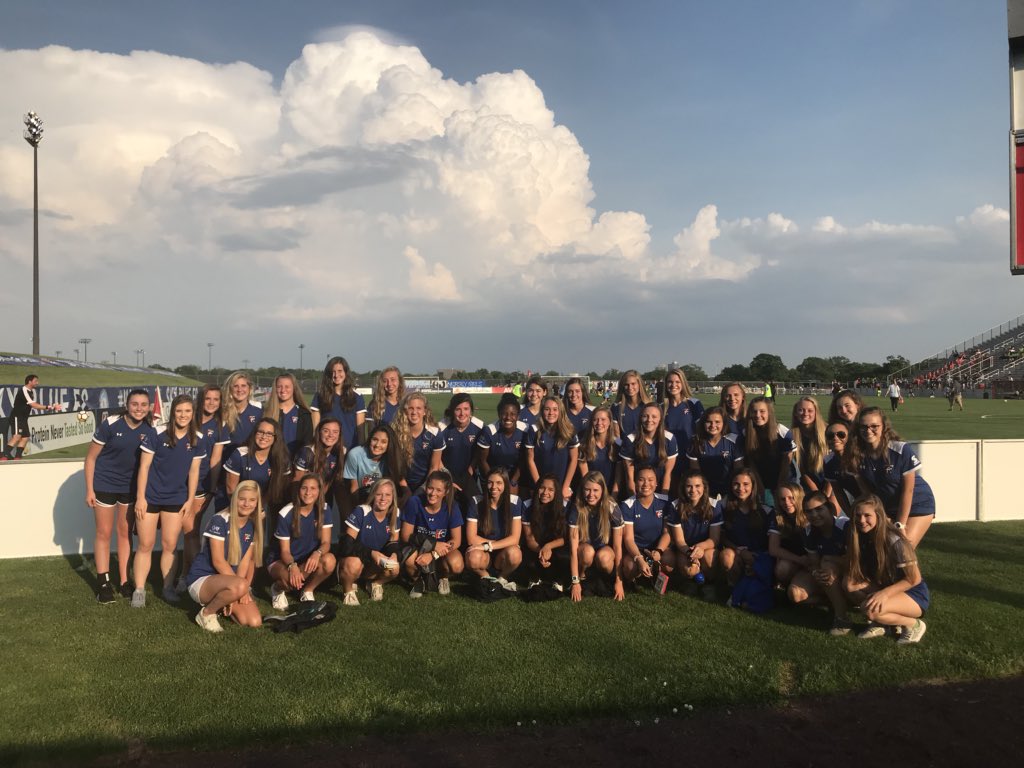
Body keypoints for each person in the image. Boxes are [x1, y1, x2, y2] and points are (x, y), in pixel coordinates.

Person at [133, 394, 205, 607]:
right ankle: (139, 590)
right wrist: (140, 498)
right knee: (145, 544)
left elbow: (194, 473)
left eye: (187, 411)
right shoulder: (157, 433)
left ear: (193, 414)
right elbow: (143, 467)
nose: (183, 415)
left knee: (170, 545)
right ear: (172, 412)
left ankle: (167, 587)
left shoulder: (197, 440)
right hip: (150, 498)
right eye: (179, 411)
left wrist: (190, 500)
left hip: (176, 499)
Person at [85, 389, 157, 602]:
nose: (139, 408)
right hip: (104, 485)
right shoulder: (111, 424)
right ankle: (103, 583)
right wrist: (89, 489)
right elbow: (90, 459)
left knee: (125, 534)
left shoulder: (150, 428)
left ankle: (125, 581)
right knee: (104, 533)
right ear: (127, 404)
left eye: (144, 405)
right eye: (135, 404)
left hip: (130, 489)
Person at [843, 494, 929, 644]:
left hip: (912, 593)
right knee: (849, 585)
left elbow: (914, 578)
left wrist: (884, 594)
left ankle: (913, 625)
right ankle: (883, 624)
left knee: (870, 610)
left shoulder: (894, 540)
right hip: (887, 586)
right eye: (858, 515)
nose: (861, 520)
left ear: (878, 515)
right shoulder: (860, 537)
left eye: (867, 515)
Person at [186, 480, 264, 632]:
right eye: (242, 499)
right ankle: (206, 613)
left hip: (230, 582)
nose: (246, 504)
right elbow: (218, 561)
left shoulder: (251, 525)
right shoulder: (219, 520)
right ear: (235, 499)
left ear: (257, 503)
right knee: (241, 586)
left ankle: (224, 601)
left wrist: (240, 590)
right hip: (202, 579)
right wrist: (242, 589)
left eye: (252, 500)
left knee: (253, 621)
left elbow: (244, 563)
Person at [851, 407, 934, 548]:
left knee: (903, 549)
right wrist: (881, 514)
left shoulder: (900, 449)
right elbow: (867, 493)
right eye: (863, 426)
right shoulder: (857, 453)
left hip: (917, 502)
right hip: (888, 506)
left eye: (874, 426)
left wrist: (900, 524)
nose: (868, 430)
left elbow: (908, 490)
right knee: (883, 549)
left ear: (884, 427)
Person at [179, 384, 230, 596]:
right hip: (178, 482)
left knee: (191, 530)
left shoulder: (220, 425)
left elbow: (216, 459)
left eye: (216, 399)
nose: (211, 403)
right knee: (185, 531)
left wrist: (210, 488)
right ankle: (185, 573)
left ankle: (188, 576)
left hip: (201, 485)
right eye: (208, 398)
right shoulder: (188, 416)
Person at [787, 490, 853, 635]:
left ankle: (842, 619)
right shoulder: (808, 532)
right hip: (827, 572)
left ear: (829, 508)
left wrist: (830, 561)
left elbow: (856, 560)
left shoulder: (846, 526)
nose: (814, 515)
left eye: (819, 509)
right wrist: (816, 572)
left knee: (827, 566)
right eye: (809, 512)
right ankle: (835, 601)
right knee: (795, 594)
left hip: (851, 571)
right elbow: (814, 562)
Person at [266, 474, 336, 609]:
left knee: (330, 560)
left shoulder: (325, 509)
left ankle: (307, 590)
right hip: (281, 560)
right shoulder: (286, 513)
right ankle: (278, 588)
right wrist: (293, 567)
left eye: (313, 488)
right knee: (290, 582)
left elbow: (326, 543)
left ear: (319, 491)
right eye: (304, 488)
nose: (308, 492)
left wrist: (317, 553)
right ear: (299, 490)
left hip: (306, 558)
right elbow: (284, 552)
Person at [400, 470, 465, 597]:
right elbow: (406, 536)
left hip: (441, 551)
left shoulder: (452, 506)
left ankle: (443, 577)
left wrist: (433, 554)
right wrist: (433, 544)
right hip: (419, 547)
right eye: (430, 488)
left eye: (438, 490)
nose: (433, 493)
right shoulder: (414, 502)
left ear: (446, 492)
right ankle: (418, 581)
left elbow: (456, 540)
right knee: (409, 560)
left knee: (456, 564)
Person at [338, 478, 402, 604]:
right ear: (373, 495)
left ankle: (375, 584)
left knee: (395, 568)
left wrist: (394, 555)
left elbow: (393, 543)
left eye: (387, 495)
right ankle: (348, 590)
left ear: (393, 496)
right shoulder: (361, 511)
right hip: (356, 559)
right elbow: (346, 545)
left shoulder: (395, 513)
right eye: (379, 494)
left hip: (373, 562)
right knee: (353, 564)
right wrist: (371, 553)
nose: (383, 498)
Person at [567, 471, 624, 602]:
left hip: (604, 549)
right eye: (587, 489)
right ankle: (582, 577)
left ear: (603, 490)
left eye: (595, 490)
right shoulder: (577, 507)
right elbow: (573, 548)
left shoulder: (612, 507)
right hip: (585, 549)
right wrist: (575, 582)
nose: (591, 494)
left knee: (604, 558)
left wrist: (619, 581)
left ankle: (604, 579)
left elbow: (617, 547)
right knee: (587, 553)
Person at [218, 417, 291, 515]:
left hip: (259, 505)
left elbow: (277, 488)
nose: (264, 437)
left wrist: (259, 507)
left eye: (269, 433)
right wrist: (245, 510)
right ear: (254, 433)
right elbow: (231, 489)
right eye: (260, 432)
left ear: (276, 437)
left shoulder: (280, 459)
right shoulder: (240, 454)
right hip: (233, 504)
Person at [714, 468, 773, 588]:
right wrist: (740, 551)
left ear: (753, 486)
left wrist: (756, 557)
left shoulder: (766, 510)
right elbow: (721, 537)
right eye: (736, 484)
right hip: (736, 552)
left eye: (746, 484)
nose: (741, 488)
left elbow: (771, 543)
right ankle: (734, 589)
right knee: (727, 557)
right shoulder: (722, 506)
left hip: (760, 555)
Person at [465, 468, 523, 590]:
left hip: (501, 551)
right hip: (484, 552)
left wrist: (488, 546)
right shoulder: (476, 501)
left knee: (515, 554)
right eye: (490, 482)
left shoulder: (515, 502)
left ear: (505, 484)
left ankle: (502, 577)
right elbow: (471, 538)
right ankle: (487, 578)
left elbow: (515, 538)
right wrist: (487, 547)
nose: (493, 487)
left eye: (499, 483)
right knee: (473, 558)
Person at [619, 466, 674, 586]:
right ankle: (634, 579)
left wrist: (659, 550)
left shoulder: (665, 502)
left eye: (650, 480)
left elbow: (667, 533)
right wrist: (638, 558)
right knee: (630, 567)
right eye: (641, 479)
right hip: (637, 549)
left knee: (669, 560)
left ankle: (656, 574)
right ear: (635, 482)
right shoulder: (627, 505)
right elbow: (628, 538)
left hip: (657, 547)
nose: (646, 484)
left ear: (656, 483)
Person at [430, 393, 484, 508]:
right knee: (449, 506)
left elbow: (479, 453)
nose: (462, 413)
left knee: (476, 505)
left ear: (471, 410)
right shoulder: (441, 427)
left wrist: (470, 470)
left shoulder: (480, 427)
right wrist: (447, 478)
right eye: (458, 409)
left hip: (469, 475)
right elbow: (437, 456)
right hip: (446, 475)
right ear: (452, 411)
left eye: (466, 409)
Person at [667, 472, 720, 587]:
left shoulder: (714, 505)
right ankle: (690, 582)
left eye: (697, 486)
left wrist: (700, 548)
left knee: (710, 558)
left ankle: (709, 584)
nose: (693, 490)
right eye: (689, 486)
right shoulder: (675, 506)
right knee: (689, 570)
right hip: (685, 548)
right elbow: (679, 541)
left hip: (705, 547)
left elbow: (714, 539)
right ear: (683, 488)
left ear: (704, 487)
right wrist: (691, 553)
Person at [524, 396, 579, 500]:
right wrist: (539, 486)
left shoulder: (569, 430)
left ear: (561, 411)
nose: (551, 413)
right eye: (547, 409)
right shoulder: (534, 429)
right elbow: (530, 459)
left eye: (555, 409)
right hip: (539, 485)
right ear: (542, 410)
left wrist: (566, 486)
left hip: (561, 485)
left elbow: (574, 459)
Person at [742, 396, 796, 503]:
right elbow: (750, 462)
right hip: (759, 480)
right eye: (754, 411)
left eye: (762, 411)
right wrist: (759, 487)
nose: (758, 415)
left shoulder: (782, 432)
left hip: (783, 479)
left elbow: (786, 463)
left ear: (769, 413)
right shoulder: (746, 433)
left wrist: (780, 487)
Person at [620, 402, 677, 496]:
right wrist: (634, 497)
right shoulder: (630, 439)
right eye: (645, 416)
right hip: (639, 490)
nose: (649, 420)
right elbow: (629, 475)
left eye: (654, 417)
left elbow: (668, 473)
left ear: (660, 420)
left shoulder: (670, 438)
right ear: (640, 418)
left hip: (660, 489)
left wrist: (663, 497)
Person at [310, 356, 366, 451]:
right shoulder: (319, 396)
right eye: (333, 372)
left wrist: (361, 451)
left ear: (346, 372)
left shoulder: (357, 396)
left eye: (340, 371)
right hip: (327, 450)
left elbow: (360, 430)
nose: (336, 375)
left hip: (350, 449)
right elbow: (316, 428)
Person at [662, 368, 704, 491]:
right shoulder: (661, 406)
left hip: (690, 455)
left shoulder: (694, 404)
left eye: (677, 382)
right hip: (669, 457)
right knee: (672, 491)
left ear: (683, 383)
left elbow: (701, 430)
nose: (673, 385)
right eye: (670, 382)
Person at [686, 406, 743, 499]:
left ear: (723, 423)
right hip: (704, 490)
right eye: (709, 422)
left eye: (717, 422)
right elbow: (696, 473)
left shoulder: (733, 441)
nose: (713, 425)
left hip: (729, 489)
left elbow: (738, 471)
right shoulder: (695, 441)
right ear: (703, 423)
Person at [391, 392, 440, 495]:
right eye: (410, 408)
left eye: (418, 408)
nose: (414, 412)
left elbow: (434, 467)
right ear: (405, 411)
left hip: (426, 485)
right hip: (400, 484)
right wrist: (405, 489)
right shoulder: (395, 433)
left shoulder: (435, 433)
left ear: (425, 411)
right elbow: (395, 466)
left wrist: (423, 489)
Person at [2, 374, 60, 460]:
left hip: (23, 418)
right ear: (30, 381)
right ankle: (4, 456)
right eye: (36, 381)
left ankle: (17, 457)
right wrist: (49, 407)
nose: (37, 383)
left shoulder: (30, 391)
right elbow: (33, 405)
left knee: (25, 437)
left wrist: (50, 407)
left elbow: (32, 405)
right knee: (17, 436)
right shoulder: (24, 390)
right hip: (17, 417)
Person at [477, 393, 527, 490]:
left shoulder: (525, 430)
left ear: (518, 416)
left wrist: (513, 482)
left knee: (512, 501)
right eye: (504, 414)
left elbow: (524, 461)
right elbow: (482, 460)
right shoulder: (489, 431)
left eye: (513, 414)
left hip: (514, 477)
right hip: (492, 476)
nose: (508, 417)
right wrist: (494, 481)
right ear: (499, 414)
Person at [521, 474, 569, 574]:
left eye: (550, 490)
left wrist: (549, 546)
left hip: (556, 547)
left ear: (556, 492)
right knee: (529, 562)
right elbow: (530, 539)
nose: (545, 492)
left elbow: (567, 538)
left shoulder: (566, 506)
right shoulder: (527, 505)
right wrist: (542, 551)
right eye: (542, 488)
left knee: (564, 559)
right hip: (536, 547)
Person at [767, 482, 810, 591]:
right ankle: (785, 588)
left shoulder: (810, 515)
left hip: (811, 560)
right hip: (794, 560)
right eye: (782, 499)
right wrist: (799, 560)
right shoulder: (777, 517)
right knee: (782, 569)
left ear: (799, 498)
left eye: (791, 498)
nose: (787, 502)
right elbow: (773, 549)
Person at [343, 423, 402, 502]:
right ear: (370, 439)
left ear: (389, 444)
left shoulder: (392, 457)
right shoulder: (355, 454)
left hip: (384, 498)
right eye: (375, 439)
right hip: (361, 496)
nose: (377, 445)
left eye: (383, 442)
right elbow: (354, 487)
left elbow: (403, 484)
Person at [262, 373, 313, 460]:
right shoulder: (266, 413)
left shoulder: (304, 414)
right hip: (271, 463)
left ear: (294, 388)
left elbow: (307, 444)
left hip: (295, 465)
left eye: (287, 386)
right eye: (279, 387)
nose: (283, 390)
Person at [292, 417, 345, 496]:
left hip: (323, 496)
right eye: (326, 431)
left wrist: (321, 500)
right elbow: (296, 483)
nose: (331, 435)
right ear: (319, 432)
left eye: (335, 432)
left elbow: (330, 481)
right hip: (305, 496)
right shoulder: (306, 452)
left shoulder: (341, 452)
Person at [576, 404, 620, 492]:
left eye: (603, 420)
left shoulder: (618, 444)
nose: (599, 423)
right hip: (591, 492)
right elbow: (585, 476)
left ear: (609, 422)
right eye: (595, 420)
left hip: (611, 492)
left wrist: (614, 495)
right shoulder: (584, 445)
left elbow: (619, 476)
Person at [822, 419, 859, 517]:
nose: (835, 438)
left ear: (849, 437)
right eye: (830, 436)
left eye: (841, 434)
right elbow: (838, 493)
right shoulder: (828, 461)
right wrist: (850, 515)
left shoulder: (861, 456)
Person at [221, 371, 262, 459]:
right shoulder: (222, 412)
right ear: (230, 389)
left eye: (243, 386)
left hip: (251, 461)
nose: (240, 390)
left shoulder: (258, 411)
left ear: (249, 388)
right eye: (235, 386)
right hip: (226, 462)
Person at [791, 396, 827, 493]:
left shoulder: (828, 432)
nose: (805, 413)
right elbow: (801, 469)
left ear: (816, 413)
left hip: (832, 485)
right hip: (808, 485)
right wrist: (814, 491)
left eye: (810, 410)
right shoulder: (792, 436)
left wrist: (826, 493)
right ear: (795, 413)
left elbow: (836, 467)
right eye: (801, 410)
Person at [611, 370, 650, 438]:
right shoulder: (616, 407)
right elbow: (616, 435)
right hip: (624, 447)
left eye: (633, 384)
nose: (630, 387)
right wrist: (624, 447)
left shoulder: (648, 406)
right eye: (626, 384)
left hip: (645, 447)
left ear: (639, 384)